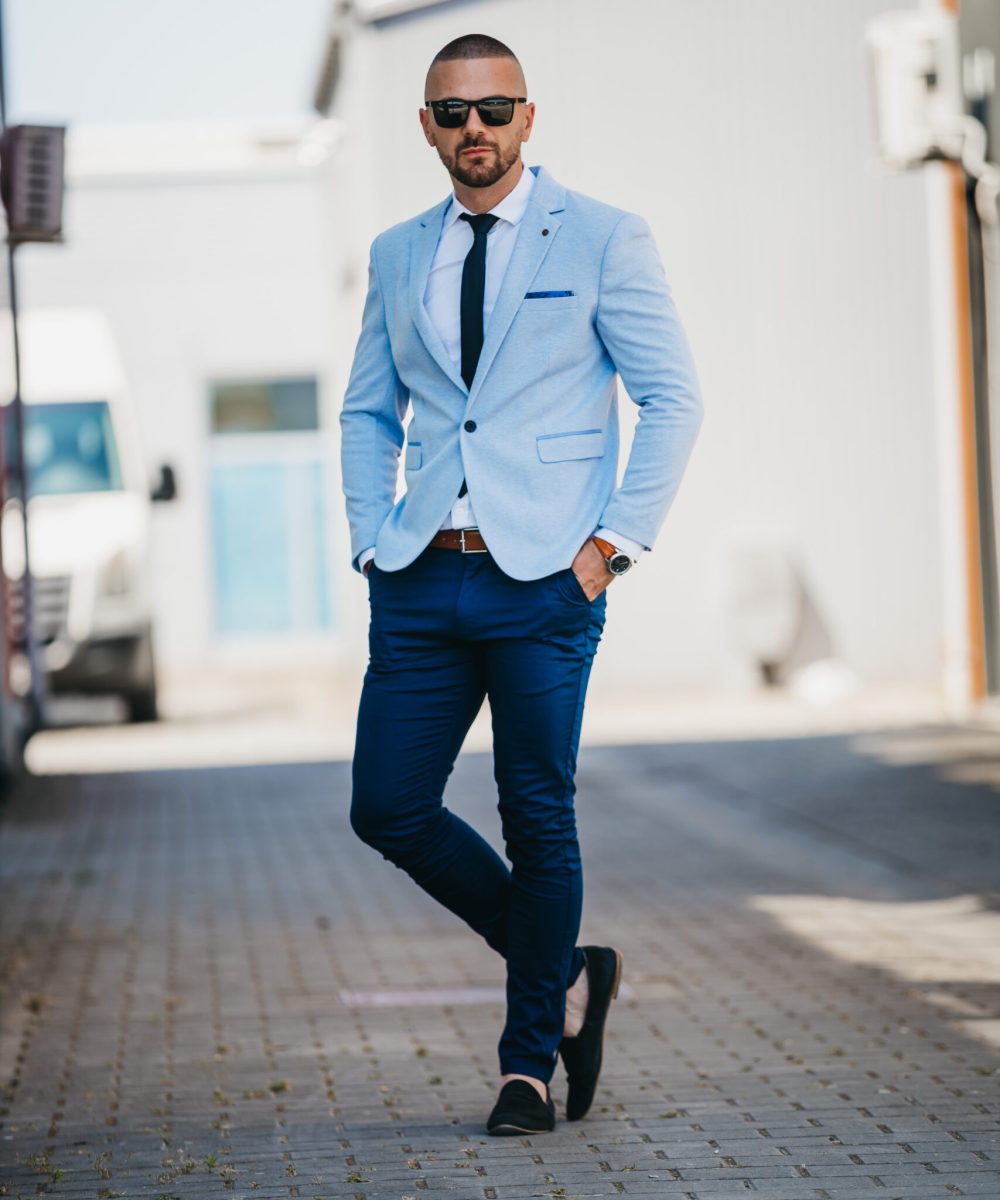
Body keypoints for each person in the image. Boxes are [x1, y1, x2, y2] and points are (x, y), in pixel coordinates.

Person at [339, 32, 704, 1136]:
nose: (475, 129)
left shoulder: (601, 236)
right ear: (426, 126)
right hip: (419, 576)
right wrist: (371, 539)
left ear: (527, 118)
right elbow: (368, 410)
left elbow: (672, 399)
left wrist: (610, 548)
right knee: (387, 806)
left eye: (494, 109)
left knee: (536, 813)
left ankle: (525, 1067)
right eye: (453, 112)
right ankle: (568, 968)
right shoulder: (397, 253)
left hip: (546, 578)